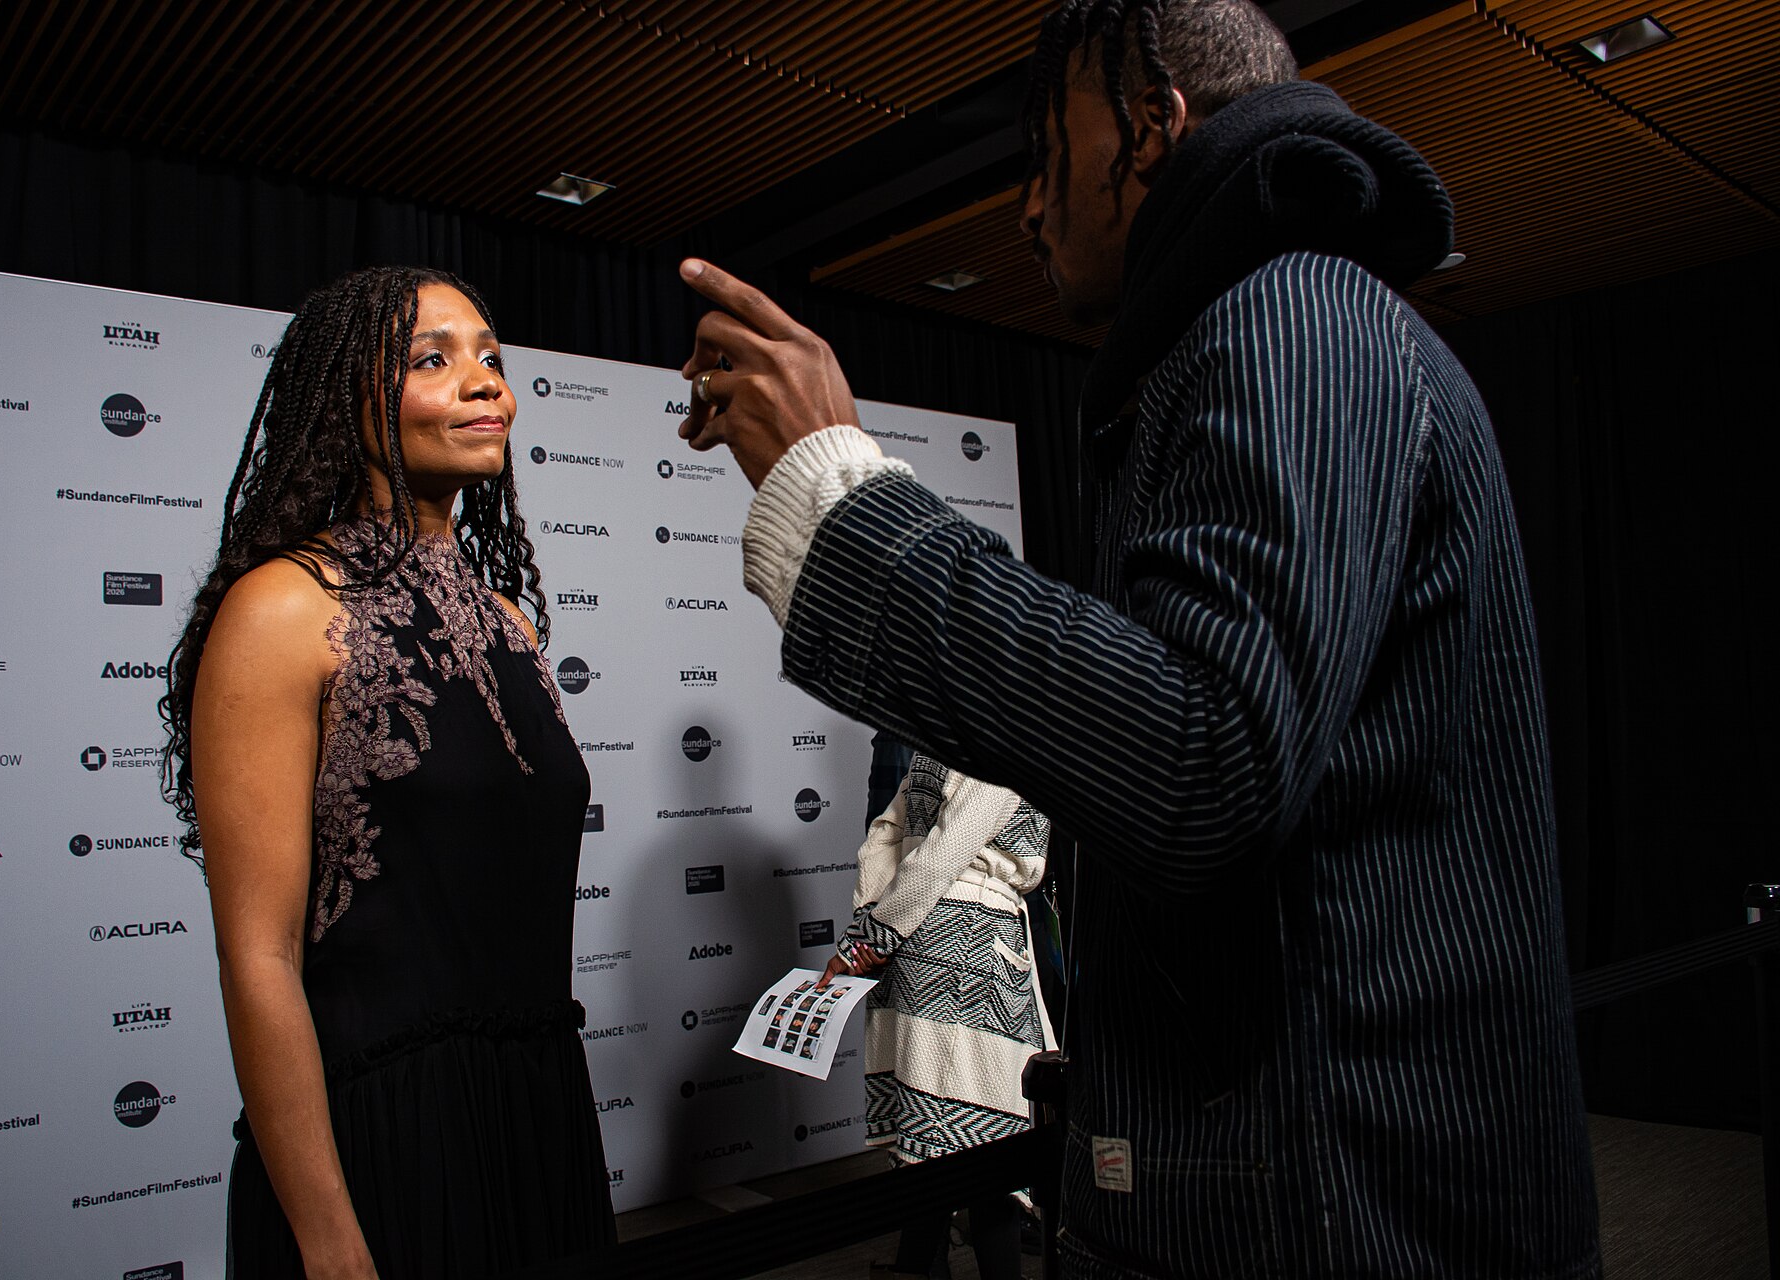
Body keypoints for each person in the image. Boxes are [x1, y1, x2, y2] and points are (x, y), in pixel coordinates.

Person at [669, 1, 1602, 1276]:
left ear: (1154, 131)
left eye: (1051, 154)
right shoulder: (1262, 335)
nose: (1028, 207)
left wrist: (843, 494)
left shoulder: (1297, 317)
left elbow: (1202, 758)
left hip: (1339, 1204)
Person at [160, 266, 613, 1279]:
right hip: (382, 1143)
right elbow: (260, 955)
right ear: (343, 396)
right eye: (432, 358)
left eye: (492, 356)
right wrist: (328, 1240)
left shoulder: (512, 623)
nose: (484, 382)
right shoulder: (282, 610)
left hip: (536, 1121)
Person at [821, 752, 1052, 1280]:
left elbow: (885, 832)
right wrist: (873, 936)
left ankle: (916, 1267)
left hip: (912, 940)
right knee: (990, 1154)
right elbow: (948, 847)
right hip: (969, 950)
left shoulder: (935, 741)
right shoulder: (1002, 729)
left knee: (929, 1152)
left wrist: (868, 929)